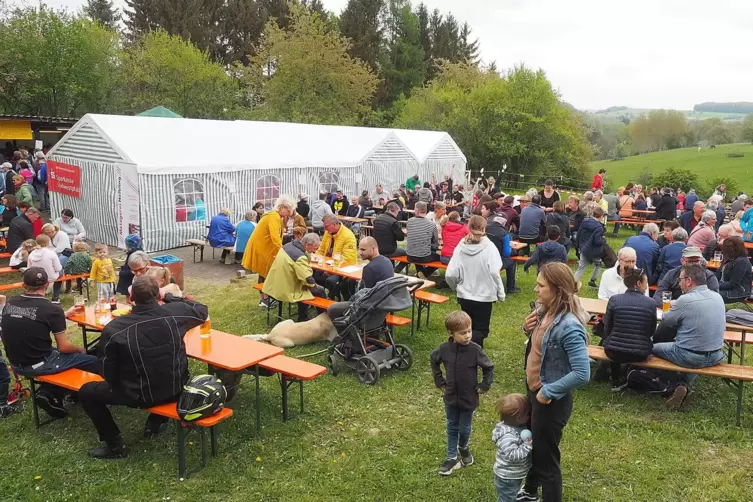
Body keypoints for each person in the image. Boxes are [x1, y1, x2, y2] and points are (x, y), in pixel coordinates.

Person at [78, 275, 208, 458]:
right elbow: (201, 309)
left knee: (86, 392)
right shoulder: (175, 313)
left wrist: (120, 384)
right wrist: (169, 296)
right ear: (158, 295)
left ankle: (115, 446)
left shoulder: (115, 328)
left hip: (136, 395)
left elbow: (108, 372)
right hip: (177, 389)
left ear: (131, 299)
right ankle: (155, 422)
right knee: (161, 373)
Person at [519, 263, 589, 502]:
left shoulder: (569, 326)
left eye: (541, 286)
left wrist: (548, 391)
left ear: (558, 290)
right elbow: (541, 348)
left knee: (547, 458)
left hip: (549, 400)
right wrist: (527, 328)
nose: (536, 290)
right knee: (535, 445)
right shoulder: (545, 310)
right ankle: (529, 490)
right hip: (535, 391)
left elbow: (582, 372)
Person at [1, 268, 97, 419]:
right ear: (47, 284)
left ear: (23, 285)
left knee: (65, 358)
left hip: (16, 364)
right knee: (91, 360)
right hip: (40, 363)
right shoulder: (51, 309)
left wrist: (64, 315)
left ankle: (53, 393)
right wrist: (80, 349)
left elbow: (34, 317)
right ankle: (60, 394)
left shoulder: (10, 303)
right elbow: (64, 347)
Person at [653, 264, 726, 409]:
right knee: (695, 353)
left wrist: (673, 306)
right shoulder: (717, 297)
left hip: (688, 355)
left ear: (688, 281)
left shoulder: (685, 300)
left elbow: (667, 321)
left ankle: (669, 384)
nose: (678, 283)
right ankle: (683, 385)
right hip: (716, 355)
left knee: (651, 347)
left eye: (680, 279)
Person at [430, 311, 494, 476]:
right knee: (452, 426)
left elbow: (488, 367)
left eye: (469, 331)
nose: (467, 336)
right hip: (451, 397)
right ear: (450, 334)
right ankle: (451, 457)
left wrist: (485, 384)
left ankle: (463, 448)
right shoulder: (444, 349)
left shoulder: (475, 350)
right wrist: (439, 380)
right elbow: (433, 360)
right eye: (462, 333)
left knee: (464, 429)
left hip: (468, 398)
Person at [446, 216, 506, 347]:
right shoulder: (489, 247)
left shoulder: (461, 247)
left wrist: (455, 287)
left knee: (467, 326)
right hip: (484, 296)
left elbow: (451, 273)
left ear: (469, 227)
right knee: (481, 330)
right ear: (484, 228)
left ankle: (470, 354)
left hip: (465, 294)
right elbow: (495, 272)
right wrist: (501, 293)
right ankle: (459, 344)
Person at [601, 268, 657, 390]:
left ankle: (615, 378)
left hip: (613, 352)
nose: (647, 286)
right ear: (638, 283)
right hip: (641, 353)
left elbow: (607, 326)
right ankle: (633, 376)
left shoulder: (614, 300)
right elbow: (651, 330)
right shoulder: (651, 303)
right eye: (646, 282)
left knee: (614, 342)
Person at [243, 196, 294, 308]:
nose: (290, 213)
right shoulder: (273, 216)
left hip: (264, 247)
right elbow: (275, 237)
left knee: (266, 272)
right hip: (262, 248)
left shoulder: (275, 216)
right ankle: (265, 299)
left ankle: (266, 299)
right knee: (265, 272)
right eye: (288, 210)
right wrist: (283, 251)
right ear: (281, 207)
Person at [263, 233, 325, 322]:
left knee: (305, 288)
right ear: (307, 245)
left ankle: (303, 316)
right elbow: (307, 278)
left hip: (273, 283)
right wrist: (315, 285)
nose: (315, 251)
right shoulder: (299, 257)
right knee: (319, 290)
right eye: (315, 248)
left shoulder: (287, 246)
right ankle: (323, 318)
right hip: (285, 288)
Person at [492, 393, 533, 501]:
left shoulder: (516, 426)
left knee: (509, 496)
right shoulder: (507, 436)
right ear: (519, 418)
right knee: (507, 499)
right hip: (507, 477)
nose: (529, 416)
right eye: (528, 414)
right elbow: (513, 454)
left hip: (513, 475)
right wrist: (527, 445)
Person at [653, 247, 720, 308]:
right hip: (675, 311)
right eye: (690, 261)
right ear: (682, 261)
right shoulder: (672, 274)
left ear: (701, 261)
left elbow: (714, 301)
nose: (693, 264)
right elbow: (657, 297)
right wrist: (672, 304)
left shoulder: (709, 276)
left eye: (696, 261)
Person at [314, 214, 357, 300]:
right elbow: (321, 250)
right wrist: (315, 258)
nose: (325, 229)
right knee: (313, 275)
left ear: (334, 224)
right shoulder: (328, 233)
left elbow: (347, 259)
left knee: (331, 281)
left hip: (343, 270)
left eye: (326, 226)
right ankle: (330, 296)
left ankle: (332, 297)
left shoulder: (348, 236)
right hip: (328, 267)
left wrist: (330, 270)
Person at [483, 204, 519, 294]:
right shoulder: (504, 233)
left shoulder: (484, 228)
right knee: (511, 262)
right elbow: (506, 253)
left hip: (482, 259)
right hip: (495, 261)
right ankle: (511, 287)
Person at [406, 202, 440, 278]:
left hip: (410, 255)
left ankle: (420, 272)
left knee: (418, 248)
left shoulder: (409, 221)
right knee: (441, 259)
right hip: (424, 256)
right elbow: (435, 241)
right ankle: (425, 273)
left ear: (416, 210)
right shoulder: (431, 224)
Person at [574, 206, 606, 288]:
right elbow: (597, 241)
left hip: (584, 249)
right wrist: (603, 240)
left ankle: (573, 283)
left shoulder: (584, 222)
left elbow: (579, 235)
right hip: (594, 251)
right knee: (598, 265)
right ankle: (592, 281)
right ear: (601, 216)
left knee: (581, 267)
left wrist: (578, 246)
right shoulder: (599, 227)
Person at [717, 236, 752, 304]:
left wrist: (715, 286)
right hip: (724, 287)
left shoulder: (742, 261)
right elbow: (718, 274)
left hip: (738, 292)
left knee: (713, 296)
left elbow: (733, 284)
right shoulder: (728, 258)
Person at [28, 234, 63, 302]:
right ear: (48, 242)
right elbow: (58, 268)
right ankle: (55, 297)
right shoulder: (51, 253)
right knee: (61, 273)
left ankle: (37, 296)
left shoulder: (32, 254)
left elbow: (29, 268)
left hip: (36, 277)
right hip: (50, 277)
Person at [373, 203, 407, 270]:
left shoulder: (377, 219)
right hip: (390, 250)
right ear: (394, 210)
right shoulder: (394, 222)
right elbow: (400, 238)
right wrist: (402, 232)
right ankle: (396, 270)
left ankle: (391, 269)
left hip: (377, 248)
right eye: (398, 212)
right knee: (408, 253)